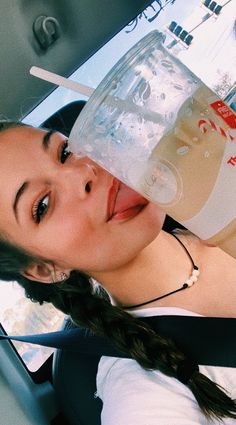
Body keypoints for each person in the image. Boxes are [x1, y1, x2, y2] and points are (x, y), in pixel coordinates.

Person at [0, 120, 236, 424]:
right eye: (42, 206)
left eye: (65, 152)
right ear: (45, 269)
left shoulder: (218, 196)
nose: (83, 171)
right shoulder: (143, 394)